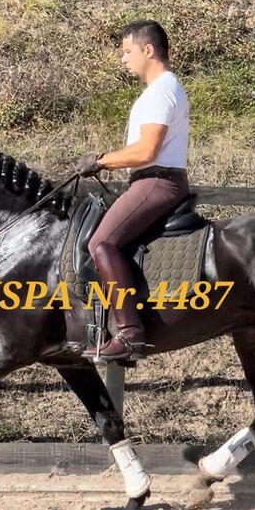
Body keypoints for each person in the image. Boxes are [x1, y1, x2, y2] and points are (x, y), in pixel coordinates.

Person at [74, 20, 190, 361]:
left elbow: (145, 151)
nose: (123, 59)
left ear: (148, 50)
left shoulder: (162, 90)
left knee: (101, 242)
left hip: (157, 180)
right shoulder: (157, 91)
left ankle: (129, 334)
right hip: (149, 179)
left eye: (127, 52)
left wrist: (101, 161)